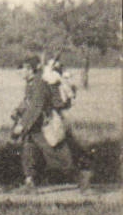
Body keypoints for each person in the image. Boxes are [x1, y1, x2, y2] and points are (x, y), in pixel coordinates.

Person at [11, 55, 92, 190]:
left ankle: (82, 177)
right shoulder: (32, 83)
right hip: (35, 127)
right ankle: (29, 182)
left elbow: (36, 107)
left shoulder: (39, 84)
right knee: (28, 151)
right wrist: (18, 111)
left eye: (22, 69)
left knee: (57, 155)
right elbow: (28, 102)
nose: (19, 72)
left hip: (44, 126)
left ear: (30, 70)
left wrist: (22, 125)